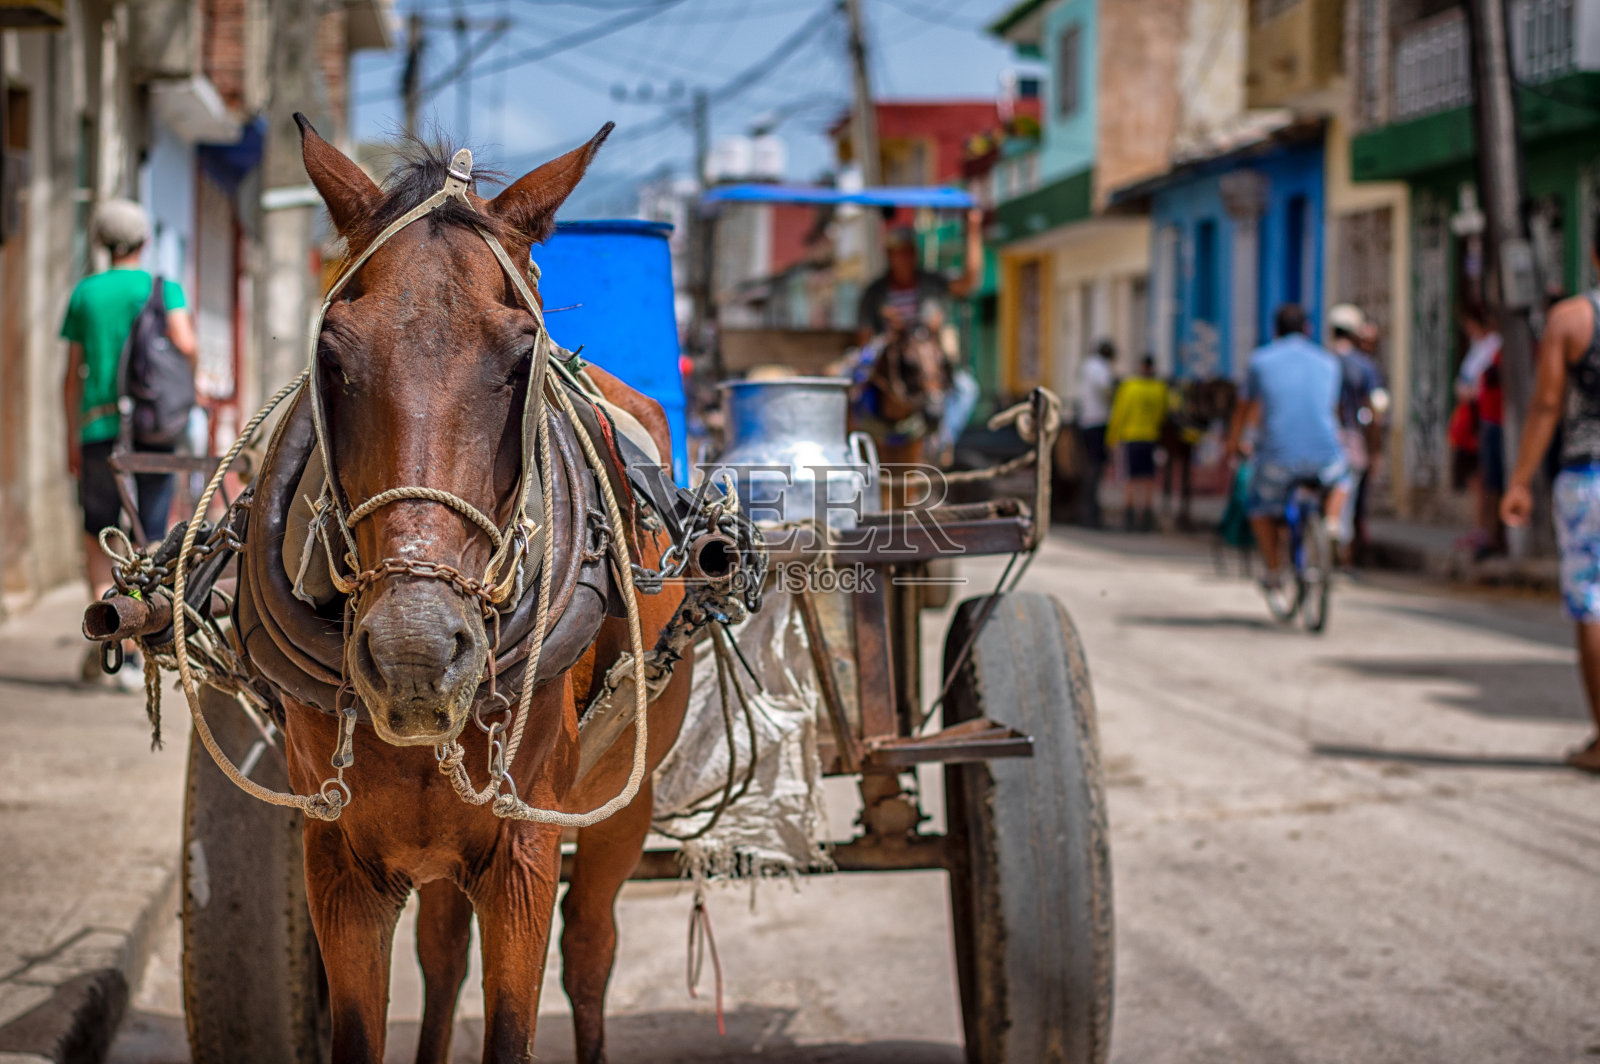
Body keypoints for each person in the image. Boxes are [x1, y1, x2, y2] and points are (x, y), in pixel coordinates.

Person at [62, 199, 197, 683]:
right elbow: (185, 345)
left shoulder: (86, 294)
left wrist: (70, 437)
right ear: (144, 242)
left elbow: (72, 376)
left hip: (98, 431)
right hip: (153, 432)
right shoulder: (164, 289)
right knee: (152, 531)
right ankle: (141, 638)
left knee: (100, 531)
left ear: (101, 242)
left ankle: (109, 634)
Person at [1501, 237, 1600, 773]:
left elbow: (1546, 403)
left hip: (1589, 476)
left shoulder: (1572, 319)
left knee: (1593, 605)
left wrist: (1519, 482)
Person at [1225, 304, 1349, 595]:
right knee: (1342, 478)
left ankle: (1272, 571)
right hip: (1325, 455)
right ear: (1308, 329)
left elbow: (1244, 409)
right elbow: (1331, 409)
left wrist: (1233, 445)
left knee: (1258, 506)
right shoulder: (1328, 362)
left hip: (1278, 457)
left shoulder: (1260, 360)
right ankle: (1331, 522)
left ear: (1275, 331)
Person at [1328, 303, 1382, 566]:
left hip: (1322, 440)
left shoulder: (1322, 361)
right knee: (1348, 498)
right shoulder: (1364, 366)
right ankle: (1344, 557)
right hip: (1351, 439)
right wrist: (1375, 449)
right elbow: (1375, 409)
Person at [1458, 302, 1507, 557]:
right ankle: (1484, 531)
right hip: (1480, 420)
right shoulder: (1482, 347)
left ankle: (1492, 534)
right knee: (1482, 479)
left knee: (1492, 480)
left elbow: (1480, 384)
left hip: (1492, 420)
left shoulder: (1498, 347)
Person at [1106, 354, 1168, 532]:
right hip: (1151, 437)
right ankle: (1147, 517)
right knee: (1149, 478)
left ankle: (1130, 518)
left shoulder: (1130, 387)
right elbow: (1163, 414)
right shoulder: (1160, 388)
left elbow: (1119, 413)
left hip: (1131, 437)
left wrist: (1111, 437)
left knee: (1130, 479)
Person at [1075, 338, 1116, 527]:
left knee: (1093, 467)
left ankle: (1088, 510)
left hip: (1088, 420)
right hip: (1097, 420)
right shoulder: (1098, 367)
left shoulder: (1088, 366)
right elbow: (1106, 389)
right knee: (1095, 468)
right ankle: (1091, 513)